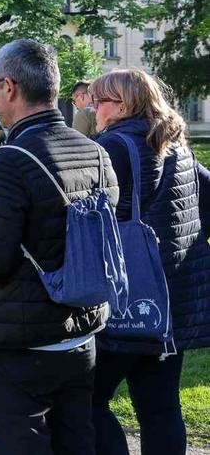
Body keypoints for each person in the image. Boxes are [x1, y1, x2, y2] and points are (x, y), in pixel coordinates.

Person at [0, 39, 119, 455]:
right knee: (77, 443)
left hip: (22, 343)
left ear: (9, 87)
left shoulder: (10, 159)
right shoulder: (96, 153)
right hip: (81, 333)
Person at [89, 69, 210, 455]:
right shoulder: (176, 145)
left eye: (99, 101)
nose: (93, 109)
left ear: (121, 105)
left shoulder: (112, 147)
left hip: (128, 299)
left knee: (87, 400)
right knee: (159, 407)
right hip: (172, 303)